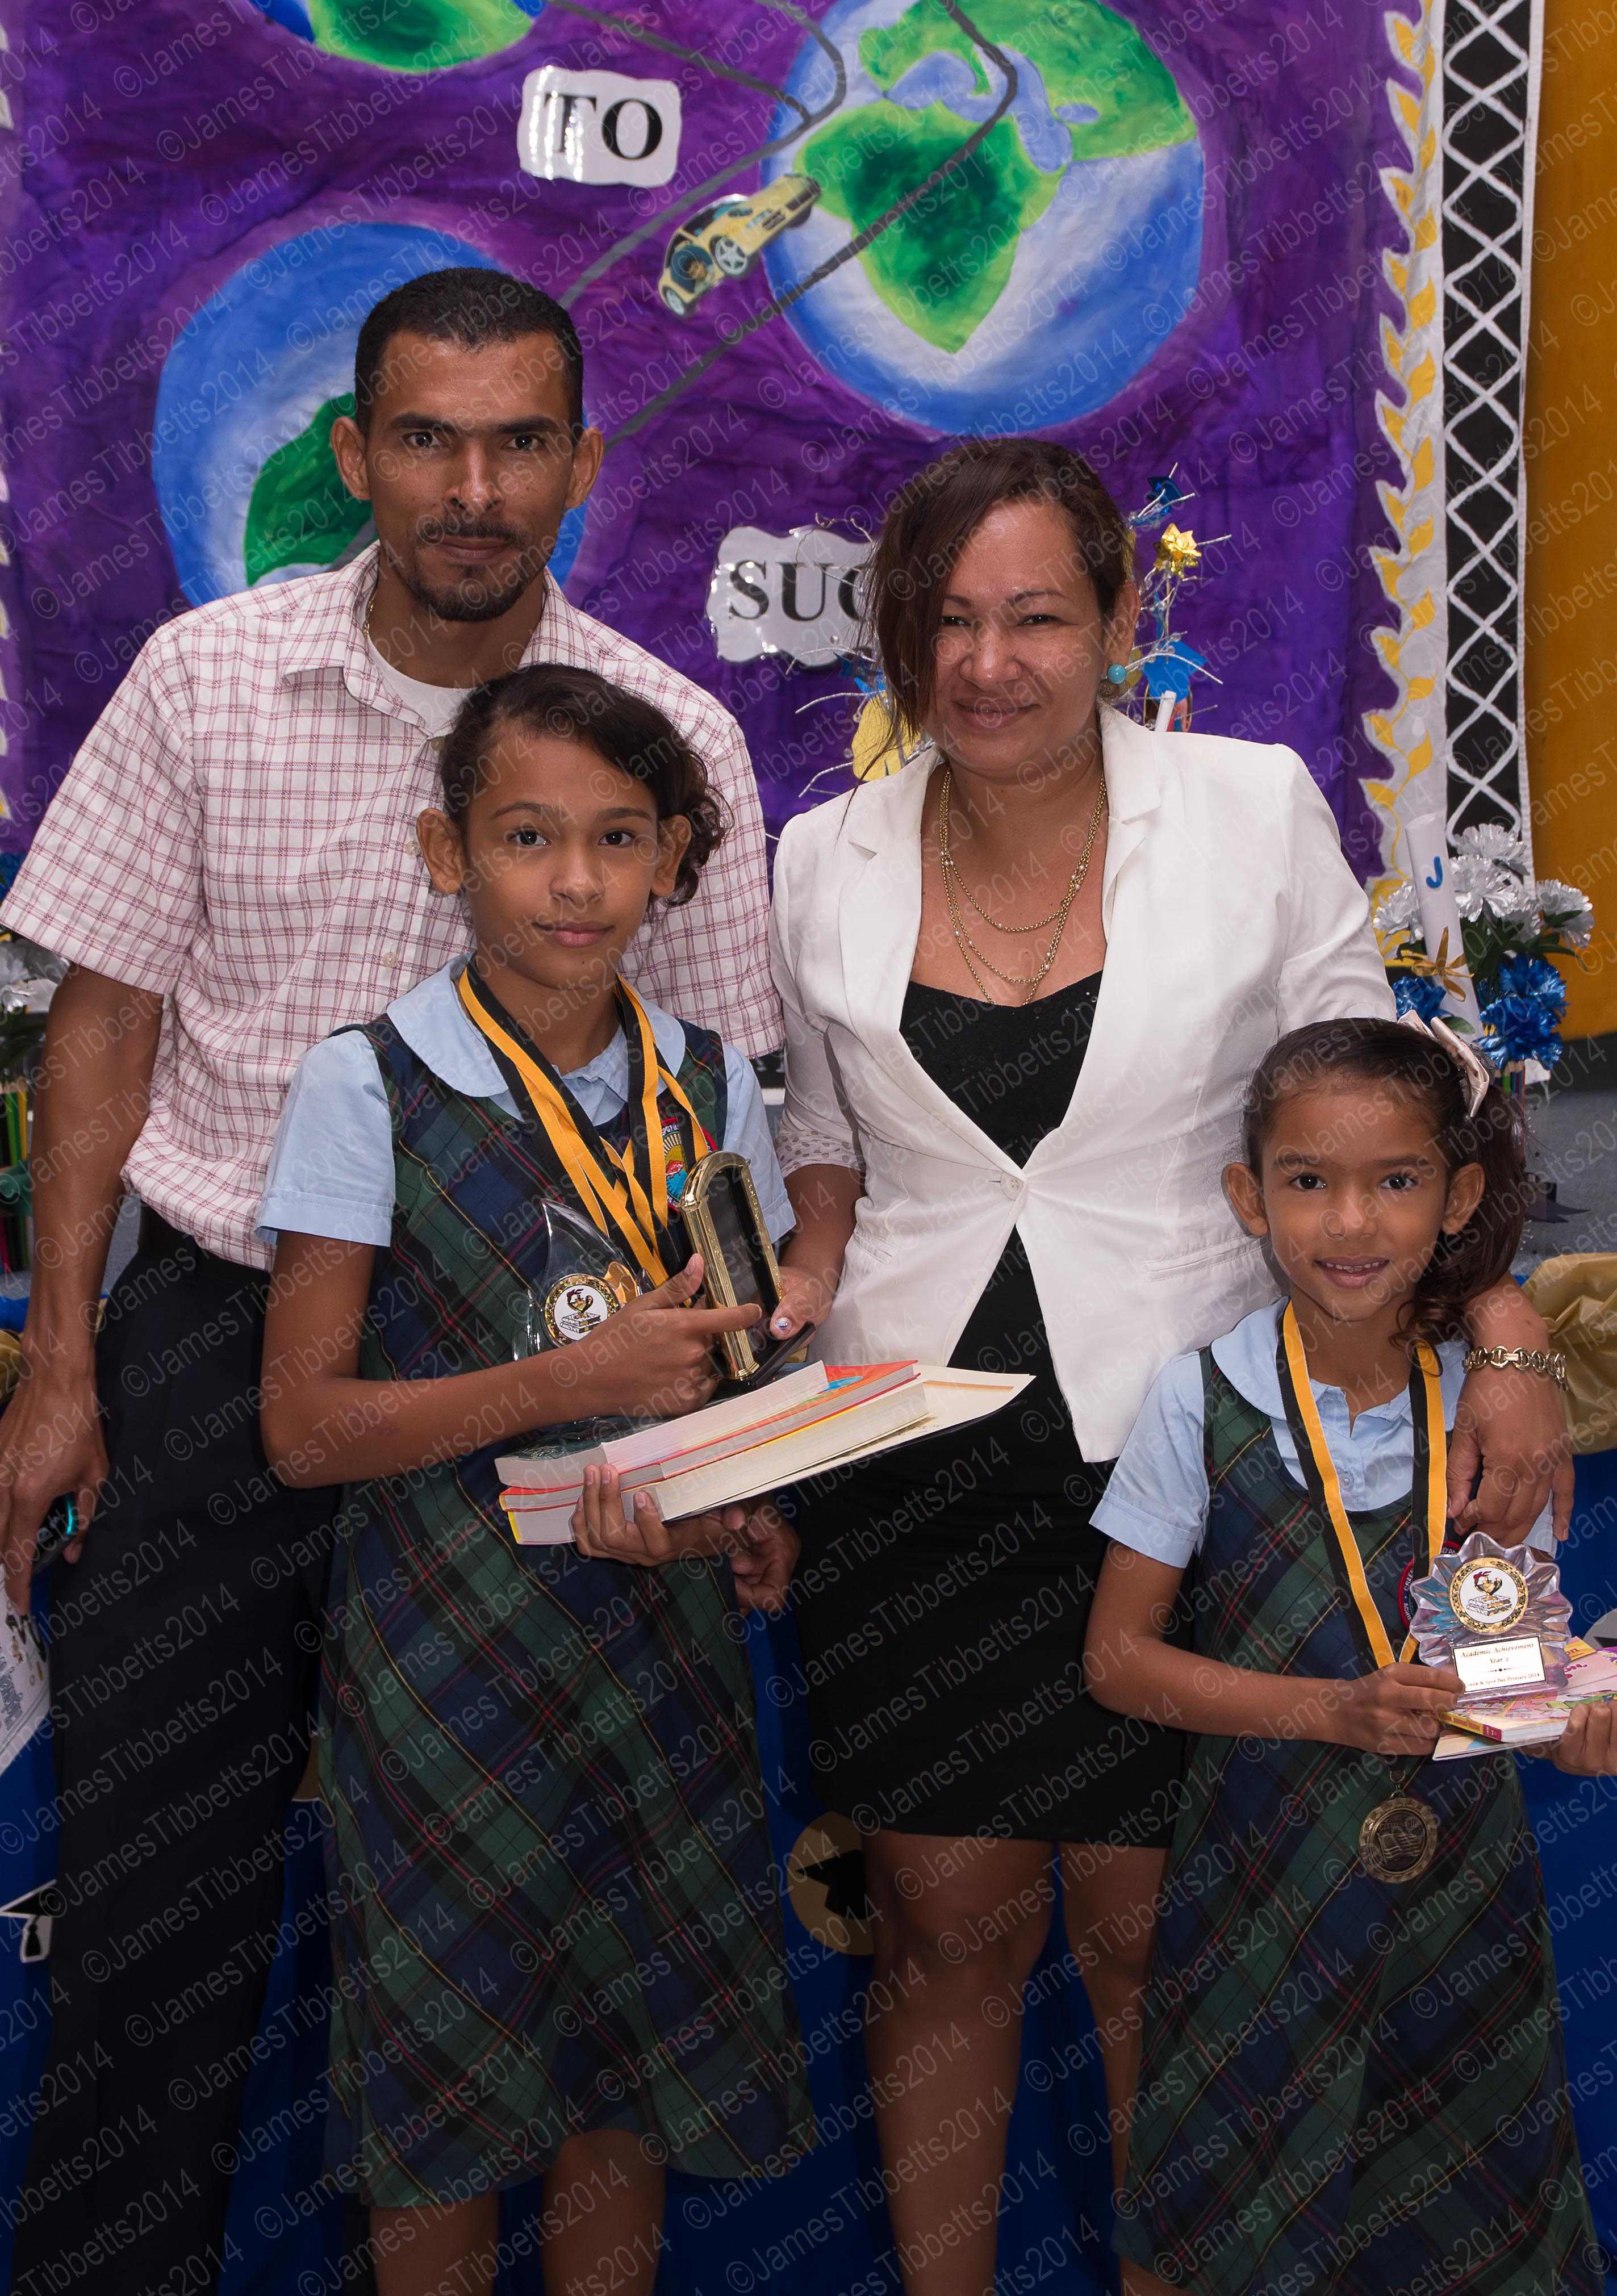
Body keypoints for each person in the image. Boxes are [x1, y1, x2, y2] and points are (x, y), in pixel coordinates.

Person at [0, 268, 779, 2296]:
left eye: (519, 442)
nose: (471, 487)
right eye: (428, 438)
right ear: (355, 455)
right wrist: (60, 1361)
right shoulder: (205, 681)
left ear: (584, 465)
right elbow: (102, 1026)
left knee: (524, 1938)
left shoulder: (670, 735)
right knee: (155, 1919)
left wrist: (732, 1445)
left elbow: (716, 1128)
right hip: (220, 1353)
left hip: (559, 1389)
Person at [765, 438, 1572, 2296]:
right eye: (947, 620)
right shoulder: (822, 854)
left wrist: (1505, 1326)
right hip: (911, 1454)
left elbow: (1392, 1108)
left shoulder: (1246, 807)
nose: (987, 664)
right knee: (940, 1928)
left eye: (1036, 617)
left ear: (1119, 620)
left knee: (1167, 1942)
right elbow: (822, 1136)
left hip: (1201, 1456)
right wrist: (800, 1265)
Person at [256, 665, 812, 2296]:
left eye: (619, 839)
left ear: (673, 860)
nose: (576, 881)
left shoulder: (710, 1081)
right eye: (527, 836)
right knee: (443, 2091)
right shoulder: (367, 1081)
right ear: (447, 852)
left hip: (660, 1658)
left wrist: (749, 1505)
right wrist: (565, 1386)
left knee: (624, 2076)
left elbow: (740, 1372)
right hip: (446, 1664)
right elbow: (303, 1427)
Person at [1085, 1016, 1600, 2296]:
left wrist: (1576, 1725)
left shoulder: (1498, 1419)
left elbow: (1508, 1675)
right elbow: (1119, 1661)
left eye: (1397, 1180)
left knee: (1460, 2230)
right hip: (1258, 1895)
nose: (1351, 1222)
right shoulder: (1198, 1398)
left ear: (1459, 1198)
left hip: (1460, 1912)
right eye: (1308, 1181)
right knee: (1227, 2220)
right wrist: (1329, 1709)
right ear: (1247, 1197)